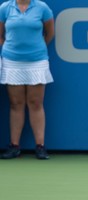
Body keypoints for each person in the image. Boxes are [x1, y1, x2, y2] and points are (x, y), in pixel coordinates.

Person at [0, 0, 54, 160]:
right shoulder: (4, 8)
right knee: (16, 104)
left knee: (35, 103)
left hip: (37, 61)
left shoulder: (42, 8)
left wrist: (36, 49)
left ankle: (40, 146)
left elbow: (50, 33)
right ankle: (14, 146)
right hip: (12, 62)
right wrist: (9, 48)